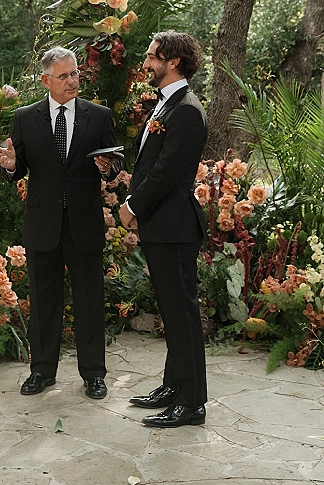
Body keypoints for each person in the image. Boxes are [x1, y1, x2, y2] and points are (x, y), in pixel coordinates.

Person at [0, 46, 119, 400]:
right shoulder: (25, 117)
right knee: (44, 300)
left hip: (84, 223)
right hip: (42, 223)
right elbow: (18, 164)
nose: (72, 81)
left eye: (75, 73)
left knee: (89, 301)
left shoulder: (98, 116)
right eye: (64, 76)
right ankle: (42, 372)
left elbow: (114, 165)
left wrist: (108, 169)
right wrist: (9, 165)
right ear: (46, 80)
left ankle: (94, 374)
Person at [119, 31, 208, 428]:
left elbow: (168, 173)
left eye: (152, 56)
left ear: (172, 61)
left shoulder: (186, 109)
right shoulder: (164, 106)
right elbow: (148, 163)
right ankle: (173, 386)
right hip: (161, 224)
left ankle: (191, 405)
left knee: (183, 314)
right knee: (171, 313)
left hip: (174, 226)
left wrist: (132, 206)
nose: (147, 62)